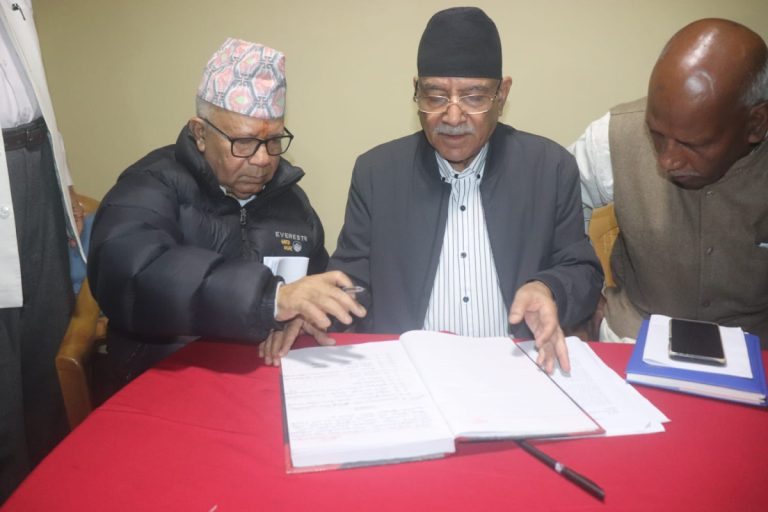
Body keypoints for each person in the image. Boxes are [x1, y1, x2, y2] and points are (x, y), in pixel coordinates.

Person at [260, 7, 603, 373]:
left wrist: (549, 289)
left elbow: (581, 269)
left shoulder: (549, 168)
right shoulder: (377, 173)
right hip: (408, 372)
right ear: (416, 92)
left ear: (502, 95)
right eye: (436, 96)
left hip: (518, 368)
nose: (453, 117)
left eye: (474, 97)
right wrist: (317, 311)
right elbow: (353, 279)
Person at [87, 38, 365, 386]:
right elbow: (132, 274)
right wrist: (271, 299)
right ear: (200, 133)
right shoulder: (150, 185)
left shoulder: (293, 203)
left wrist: (310, 316)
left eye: (273, 141)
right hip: (163, 383)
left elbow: (314, 289)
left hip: (266, 384)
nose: (262, 159)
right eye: (243, 142)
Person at [571, 19, 768, 346]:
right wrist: (580, 295)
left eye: (694, 144)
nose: (667, 161)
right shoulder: (614, 136)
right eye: (656, 135)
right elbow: (554, 209)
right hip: (630, 340)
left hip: (756, 356)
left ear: (757, 123)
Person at [0, 1, 86, 502]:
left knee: (47, 343)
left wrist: (63, 177)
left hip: (35, 163)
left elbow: (36, 92)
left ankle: (55, 491)